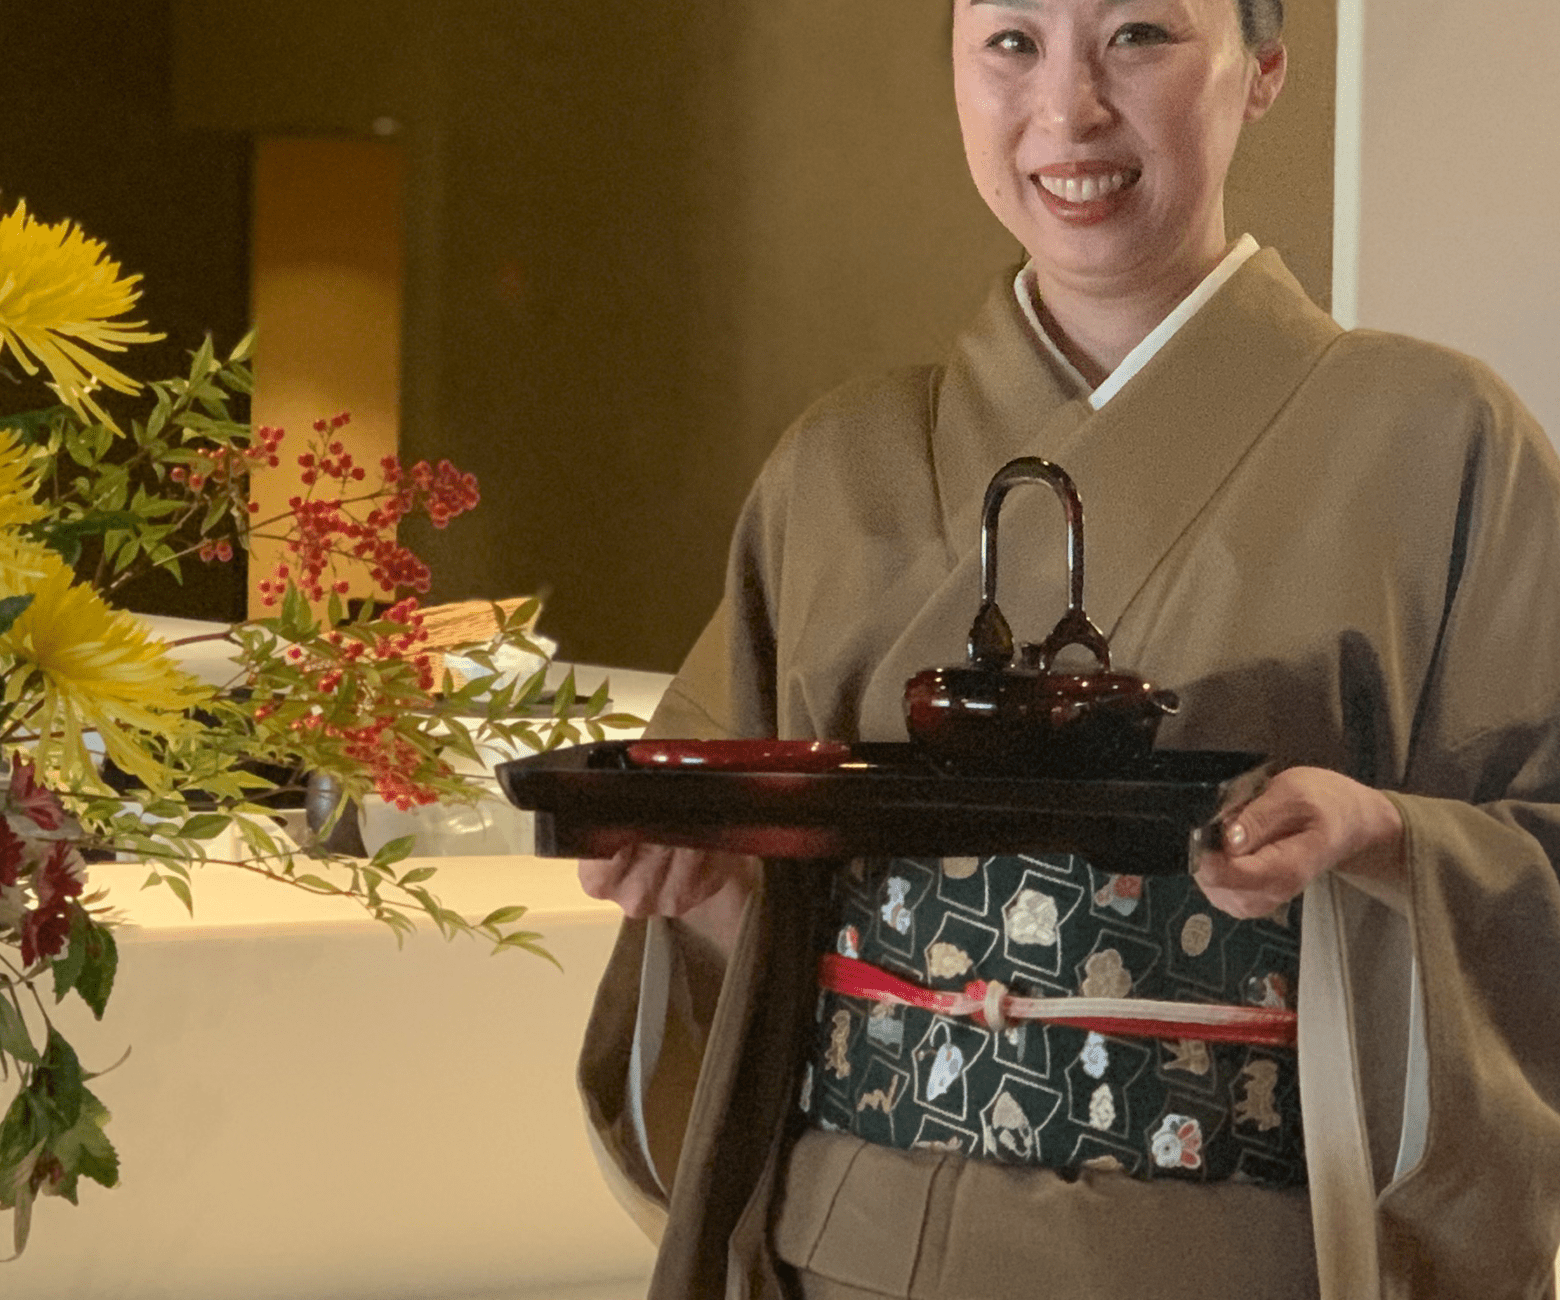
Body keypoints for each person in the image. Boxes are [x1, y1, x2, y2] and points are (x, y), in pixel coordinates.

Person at [577, 1, 1560, 1296]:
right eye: (1012, 42)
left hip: (1240, 1263)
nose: (1068, 110)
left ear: (1262, 68)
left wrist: (1380, 841)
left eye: (1139, 34)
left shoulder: (1436, 441)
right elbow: (757, 917)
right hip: (858, 1252)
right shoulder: (841, 465)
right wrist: (697, 889)